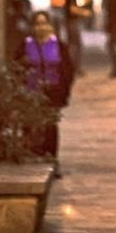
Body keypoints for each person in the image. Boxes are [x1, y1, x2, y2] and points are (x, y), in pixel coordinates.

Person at [17, 11, 74, 167]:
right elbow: (16, 68)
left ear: (50, 26)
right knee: (30, 124)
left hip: (53, 92)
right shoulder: (25, 45)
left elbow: (68, 71)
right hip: (31, 92)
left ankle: (50, 158)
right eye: (37, 24)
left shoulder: (60, 46)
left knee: (50, 126)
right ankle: (32, 154)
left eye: (44, 23)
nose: (41, 27)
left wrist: (65, 93)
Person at [63, 0, 90, 75]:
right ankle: (74, 67)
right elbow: (71, 9)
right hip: (72, 22)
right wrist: (83, 12)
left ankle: (74, 67)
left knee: (74, 45)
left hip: (71, 22)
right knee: (75, 46)